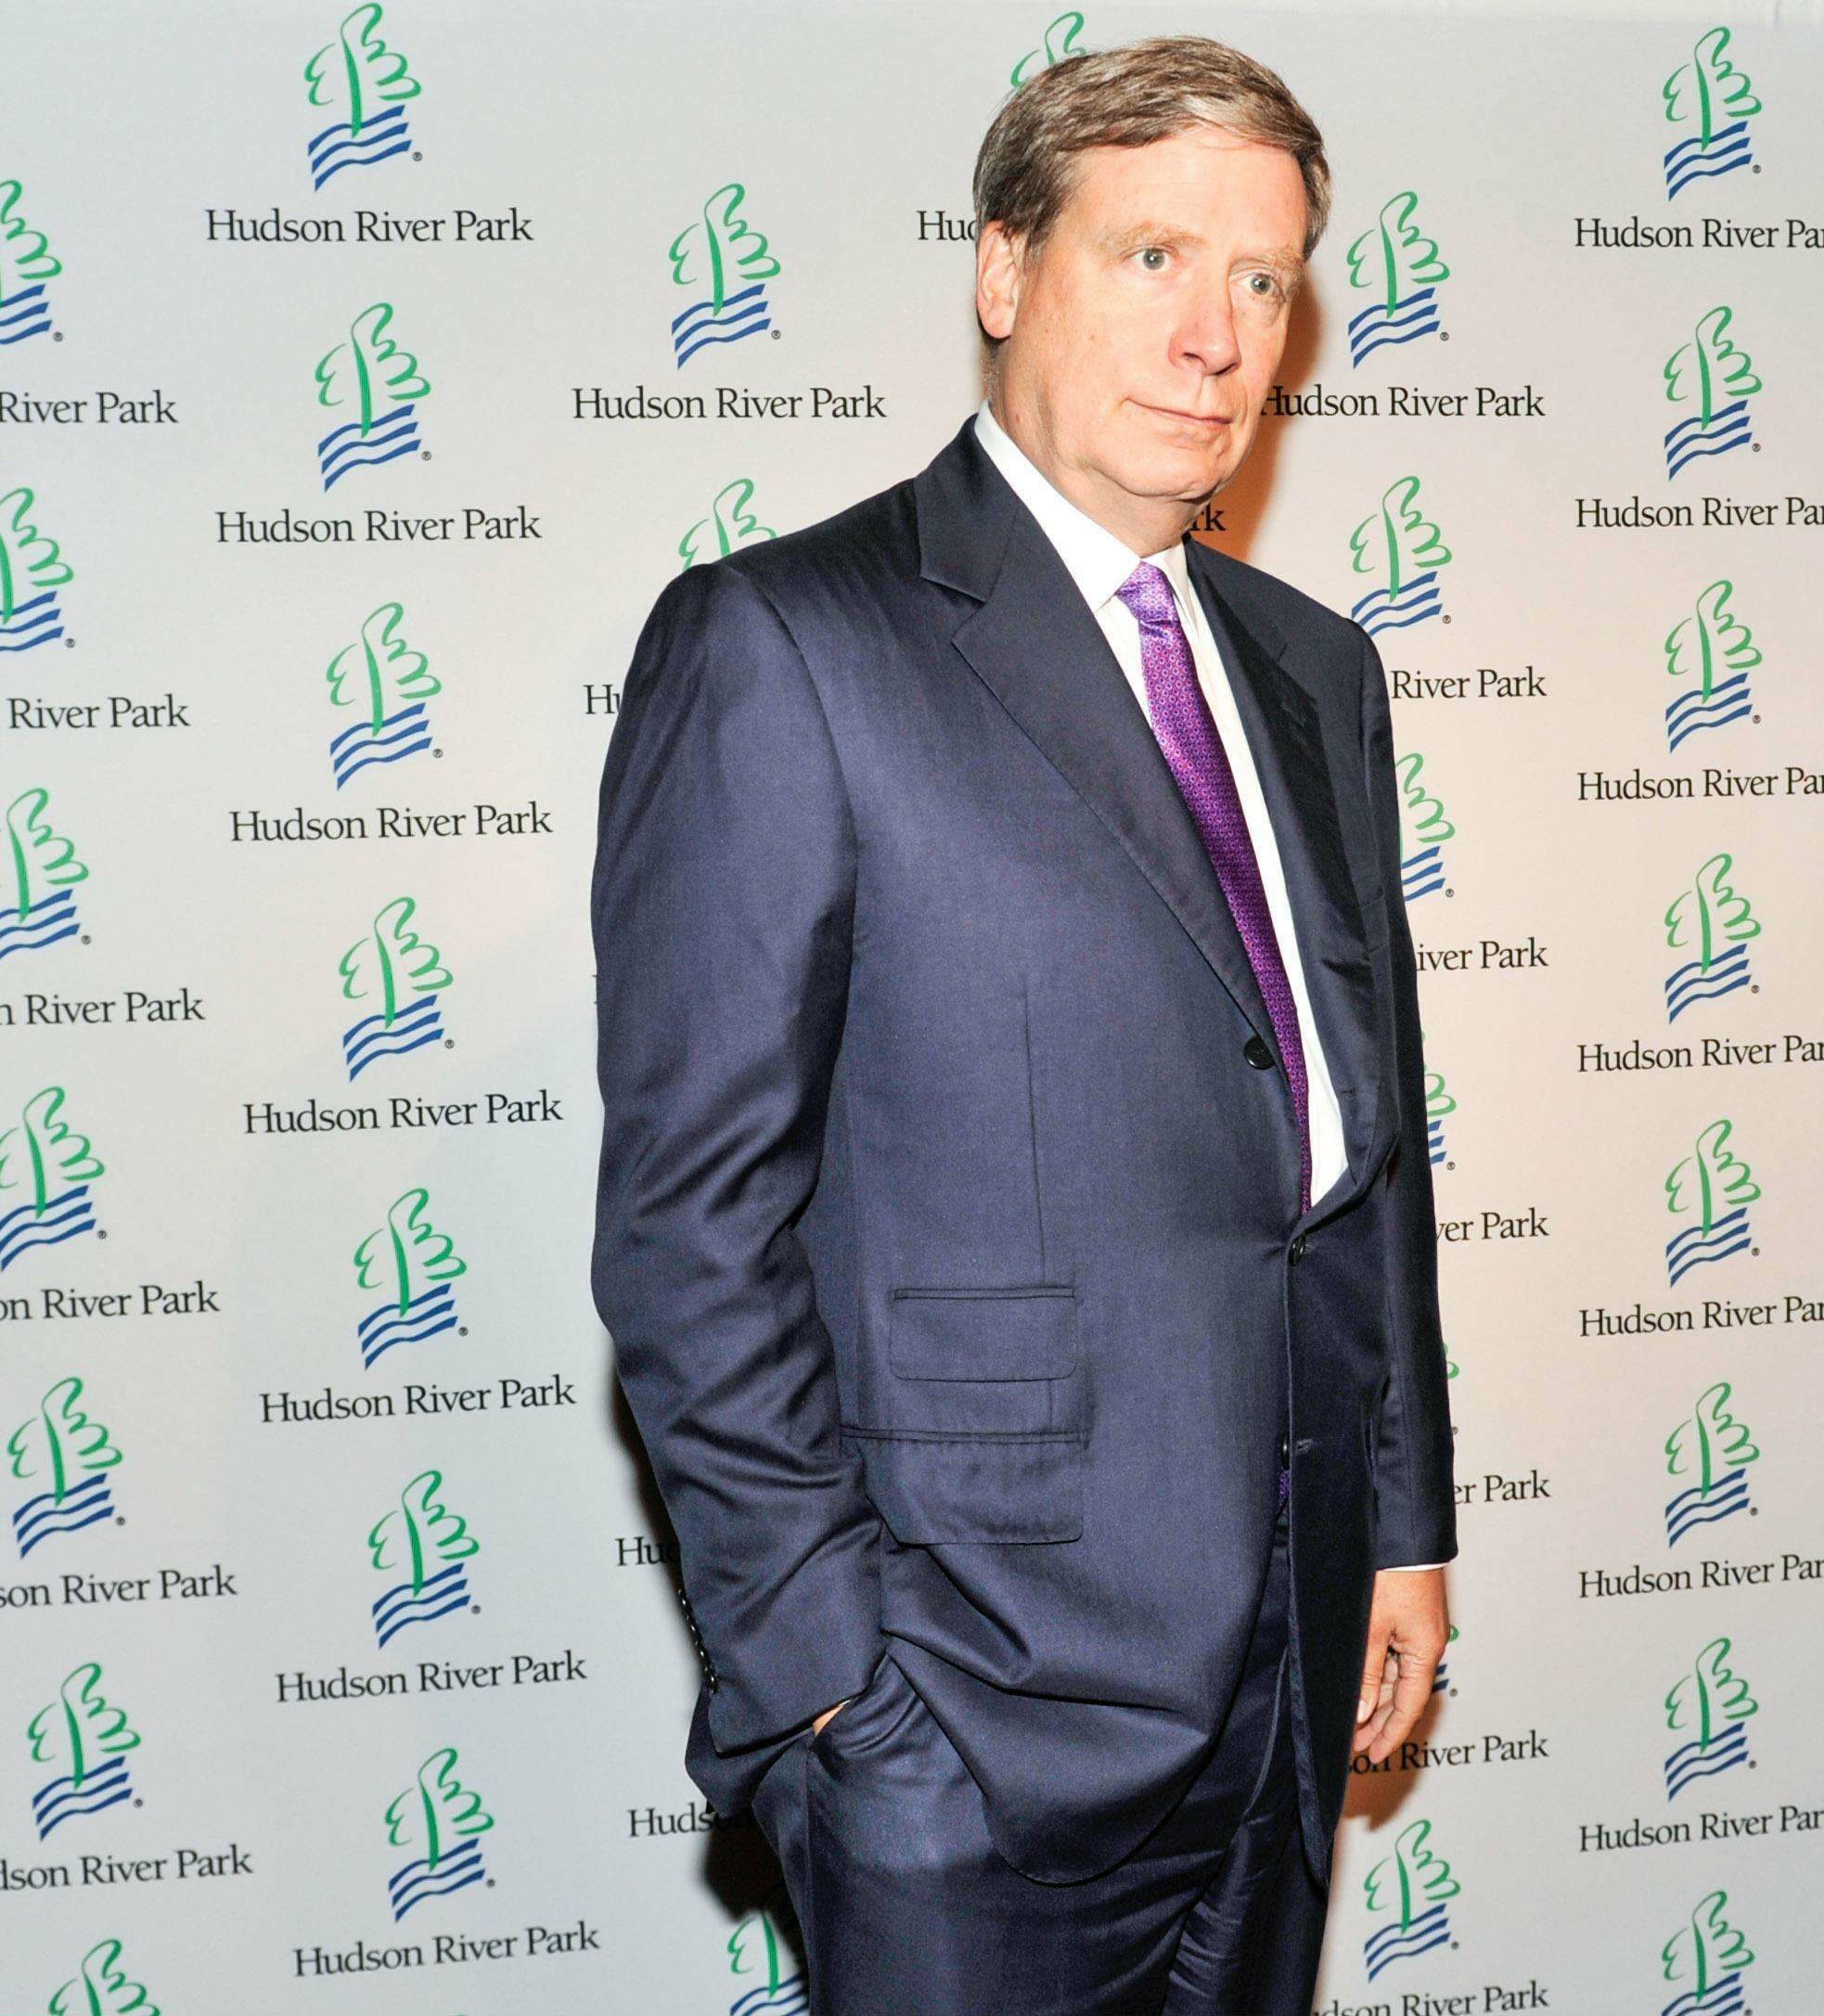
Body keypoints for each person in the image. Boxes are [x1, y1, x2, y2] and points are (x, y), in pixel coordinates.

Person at [588, 33, 1455, 2013]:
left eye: (1262, 279)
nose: (1218, 335)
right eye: (1153, 258)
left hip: (1288, 1672)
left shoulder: (1317, 672)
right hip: (963, 1723)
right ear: (1003, 269)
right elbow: (691, 1234)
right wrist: (839, 1697)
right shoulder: (790, 642)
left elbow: (1362, 1136)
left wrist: (1399, 1518)